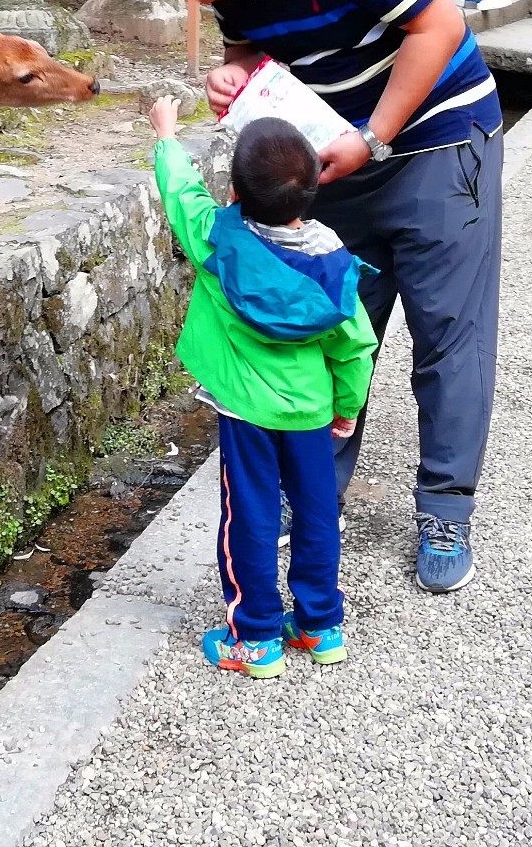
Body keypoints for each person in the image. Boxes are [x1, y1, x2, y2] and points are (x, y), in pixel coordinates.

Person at [130, 0, 503, 595]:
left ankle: (446, 508)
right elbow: (250, 51)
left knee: (447, 331)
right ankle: (315, 497)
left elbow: (441, 26)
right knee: (330, 323)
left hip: (436, 139)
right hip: (333, 157)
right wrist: (230, 76)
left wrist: (376, 134)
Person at [147, 98, 376, 677]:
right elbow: (355, 346)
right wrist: (346, 408)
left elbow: (182, 198)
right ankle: (321, 627)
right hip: (310, 409)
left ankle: (255, 639)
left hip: (247, 411)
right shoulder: (333, 261)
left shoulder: (218, 243)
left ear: (238, 191)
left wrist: (168, 137)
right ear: (311, 190)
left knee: (248, 512)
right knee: (317, 511)